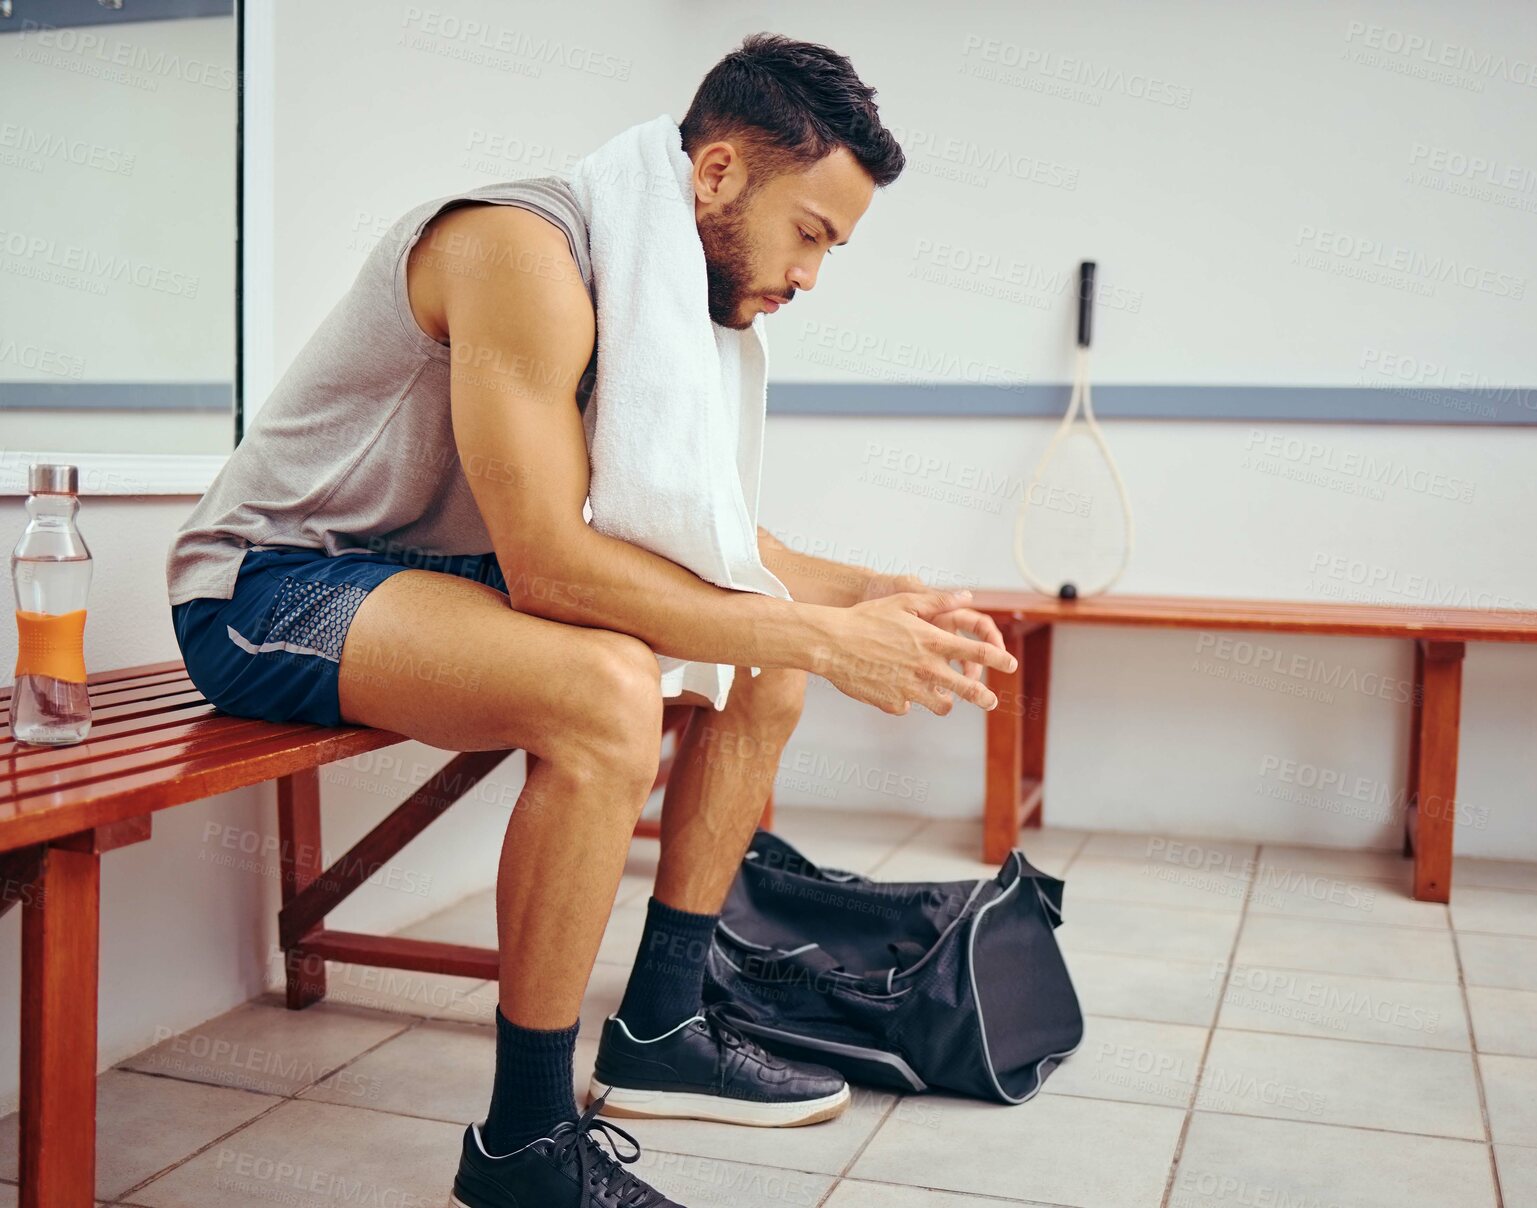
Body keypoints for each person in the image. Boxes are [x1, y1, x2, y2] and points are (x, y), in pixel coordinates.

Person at [166, 31, 1015, 1208]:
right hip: (274, 583)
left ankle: (662, 1025)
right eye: (810, 234)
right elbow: (556, 568)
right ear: (717, 175)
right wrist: (823, 634)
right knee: (613, 688)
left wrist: (877, 598)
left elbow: (728, 550)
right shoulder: (522, 248)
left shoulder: (650, 276)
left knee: (757, 667)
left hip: (440, 582)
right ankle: (524, 1143)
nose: (812, 277)